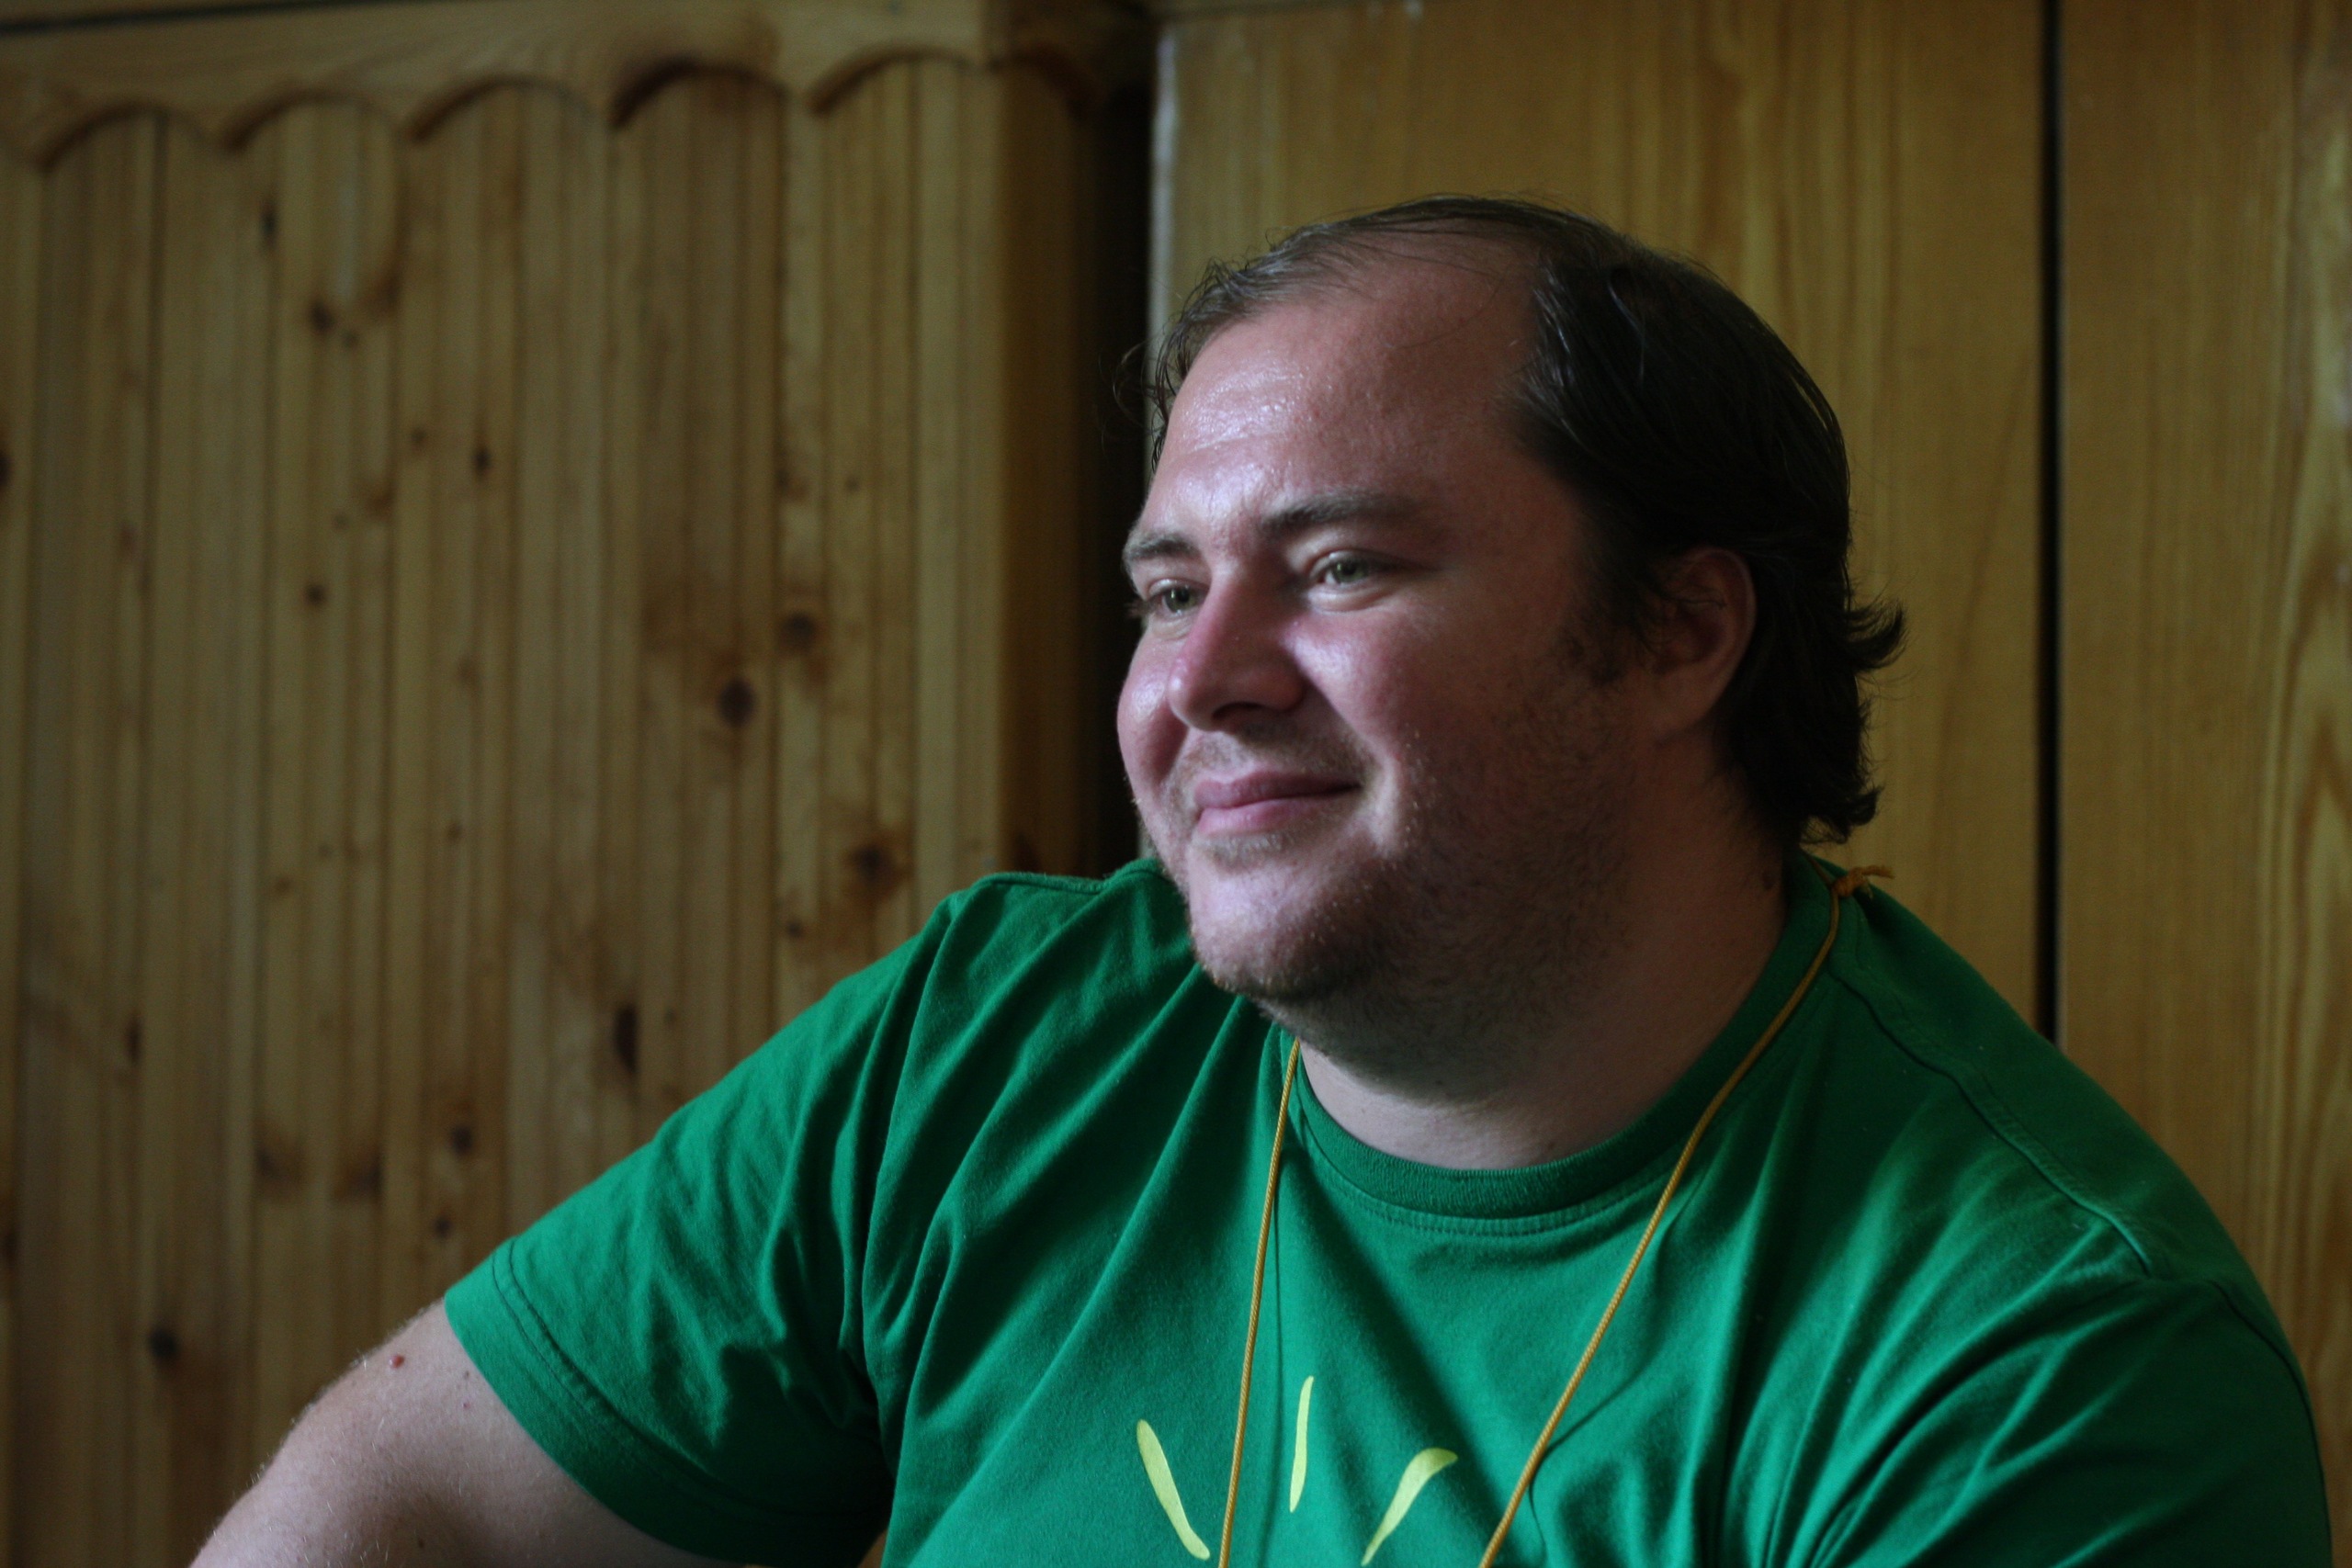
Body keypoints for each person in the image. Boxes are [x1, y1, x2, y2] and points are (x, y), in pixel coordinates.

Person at [195, 197, 2332, 1568]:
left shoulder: (2044, 1363)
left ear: (1683, 632)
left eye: (1337, 567)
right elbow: (389, 1511)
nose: (1195, 680)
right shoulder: (992, 1038)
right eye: (1163, 587)